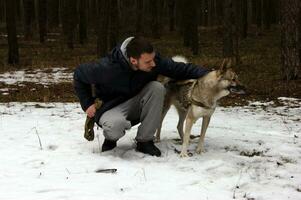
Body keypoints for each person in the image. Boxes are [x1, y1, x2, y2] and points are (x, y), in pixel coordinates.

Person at [73, 36, 209, 157]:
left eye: (153, 59)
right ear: (133, 60)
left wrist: (209, 75)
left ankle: (145, 141)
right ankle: (111, 139)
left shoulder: (151, 60)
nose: (153, 64)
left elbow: (180, 69)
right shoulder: (106, 68)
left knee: (157, 88)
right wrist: (87, 103)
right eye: (148, 62)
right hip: (111, 107)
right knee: (116, 125)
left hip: (137, 102)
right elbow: (79, 74)